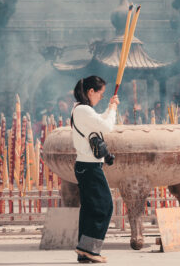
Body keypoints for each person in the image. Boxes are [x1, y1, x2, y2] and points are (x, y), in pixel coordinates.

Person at [71, 76, 119, 263]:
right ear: (91, 92)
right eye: (100, 94)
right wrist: (113, 108)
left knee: (91, 209)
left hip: (87, 166)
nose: (101, 97)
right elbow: (107, 126)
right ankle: (91, 250)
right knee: (104, 206)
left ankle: (85, 251)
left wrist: (110, 107)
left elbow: (102, 121)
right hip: (89, 167)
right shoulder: (83, 109)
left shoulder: (82, 109)